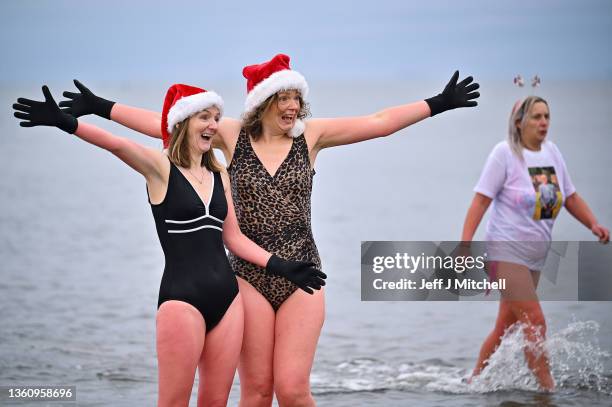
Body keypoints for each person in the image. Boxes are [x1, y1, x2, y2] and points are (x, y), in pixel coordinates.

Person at [58, 54, 480, 406]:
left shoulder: (311, 137)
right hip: (247, 275)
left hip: (303, 272)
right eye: (284, 98)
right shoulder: (231, 134)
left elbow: (379, 120)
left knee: (293, 391)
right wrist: (100, 106)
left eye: (297, 97)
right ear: (263, 103)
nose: (293, 106)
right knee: (258, 392)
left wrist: (438, 102)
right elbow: (169, 122)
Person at [12, 83, 325, 407]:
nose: (214, 125)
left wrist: (281, 265)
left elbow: (233, 238)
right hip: (182, 301)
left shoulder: (219, 174)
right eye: (205, 117)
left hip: (229, 302)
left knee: (215, 402)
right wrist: (70, 124)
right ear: (182, 123)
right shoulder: (160, 169)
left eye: (216, 117)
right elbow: (118, 145)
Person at [460, 96, 609, 391]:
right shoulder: (504, 154)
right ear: (519, 122)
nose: (543, 123)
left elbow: (570, 197)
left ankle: (474, 382)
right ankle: (547, 390)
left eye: (546, 116)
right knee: (535, 321)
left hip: (535, 253)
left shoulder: (552, 153)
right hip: (505, 250)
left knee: (508, 326)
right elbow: (480, 200)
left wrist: (593, 224)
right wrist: (465, 244)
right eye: (536, 117)